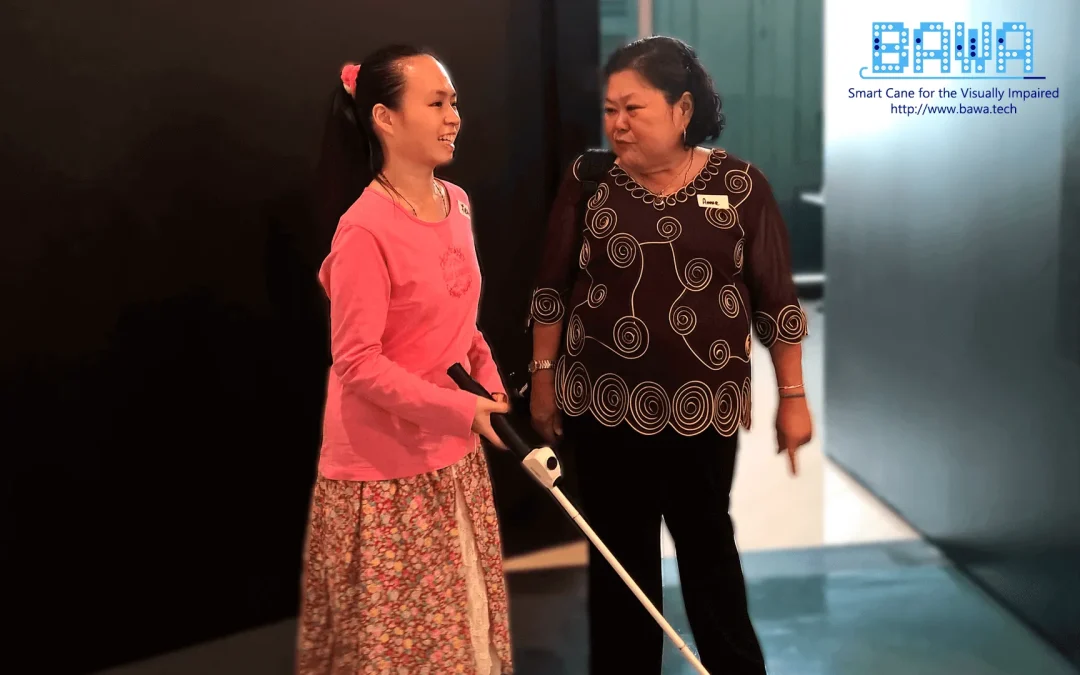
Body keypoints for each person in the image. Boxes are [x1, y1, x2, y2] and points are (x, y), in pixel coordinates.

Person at [527, 36, 813, 674]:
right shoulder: (587, 180)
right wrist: (542, 377)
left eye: (634, 108)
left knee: (710, 556)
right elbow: (551, 288)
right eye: (609, 110)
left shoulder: (741, 186)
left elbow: (777, 303)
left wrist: (792, 398)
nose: (617, 124)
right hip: (602, 412)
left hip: (700, 414)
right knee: (619, 570)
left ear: (683, 110)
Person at [297, 45, 513, 674]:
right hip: (382, 474)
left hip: (451, 459)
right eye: (437, 102)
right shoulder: (364, 229)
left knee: (460, 640)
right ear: (385, 119)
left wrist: (492, 392)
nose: (454, 117)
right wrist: (463, 411)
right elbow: (357, 363)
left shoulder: (459, 203)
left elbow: (463, 326)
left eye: (455, 103)